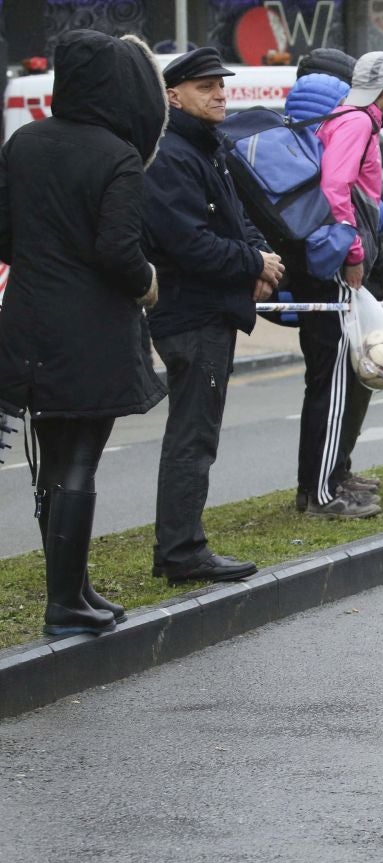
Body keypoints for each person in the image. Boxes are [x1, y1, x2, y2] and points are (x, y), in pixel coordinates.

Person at [0, 29, 167, 635]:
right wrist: (148, 281)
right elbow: (119, 252)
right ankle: (64, 604)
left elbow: (4, 236)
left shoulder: (23, 142)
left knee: (50, 460)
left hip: (27, 320)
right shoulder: (116, 152)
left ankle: (71, 588)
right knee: (80, 461)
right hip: (91, 325)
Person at [143, 47, 284, 585]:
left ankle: (183, 545)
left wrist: (258, 259)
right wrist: (253, 261)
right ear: (173, 96)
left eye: (221, 84)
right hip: (189, 313)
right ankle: (181, 551)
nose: (221, 93)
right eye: (206, 87)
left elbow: (234, 218)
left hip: (207, 309)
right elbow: (187, 243)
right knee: (192, 437)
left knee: (198, 433)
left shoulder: (203, 147)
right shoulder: (172, 153)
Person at [273, 49, 383, 520]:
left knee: (329, 381)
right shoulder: (357, 121)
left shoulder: (343, 118)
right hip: (336, 268)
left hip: (325, 265)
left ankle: (321, 483)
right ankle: (321, 494)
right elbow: (336, 190)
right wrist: (353, 254)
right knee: (334, 382)